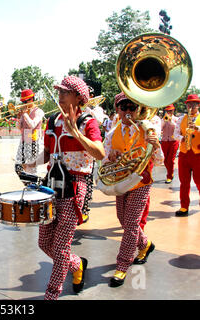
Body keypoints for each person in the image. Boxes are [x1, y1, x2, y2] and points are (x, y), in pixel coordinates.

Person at [38, 76, 105, 300]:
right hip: (52, 183)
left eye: (65, 91)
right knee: (44, 241)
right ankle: (76, 265)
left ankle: (52, 294)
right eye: (60, 91)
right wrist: (27, 162)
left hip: (75, 185)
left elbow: (99, 153)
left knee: (60, 246)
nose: (60, 94)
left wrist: (76, 132)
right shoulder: (51, 121)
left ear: (78, 96)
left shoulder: (88, 121)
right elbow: (47, 154)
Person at [103, 92, 163, 287]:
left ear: (138, 109)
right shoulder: (113, 131)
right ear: (118, 110)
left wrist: (156, 147)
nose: (129, 111)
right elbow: (104, 157)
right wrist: (111, 156)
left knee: (130, 225)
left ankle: (122, 266)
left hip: (141, 182)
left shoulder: (147, 128)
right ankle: (145, 245)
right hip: (121, 181)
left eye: (133, 107)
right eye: (124, 107)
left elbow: (160, 161)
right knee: (123, 219)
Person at [174, 94, 200, 217]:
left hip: (198, 154)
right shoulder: (181, 119)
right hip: (184, 153)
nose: (191, 106)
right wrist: (181, 137)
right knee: (184, 182)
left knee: (199, 181)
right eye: (189, 104)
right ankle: (184, 206)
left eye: (194, 104)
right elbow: (175, 134)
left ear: (198, 105)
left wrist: (197, 128)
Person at [15, 89, 45, 175]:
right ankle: (28, 185)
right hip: (24, 139)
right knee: (19, 166)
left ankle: (32, 187)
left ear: (31, 99)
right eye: (23, 102)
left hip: (34, 141)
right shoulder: (25, 112)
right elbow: (18, 127)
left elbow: (32, 125)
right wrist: (18, 118)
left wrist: (24, 114)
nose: (24, 104)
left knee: (31, 169)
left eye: (25, 101)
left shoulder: (39, 111)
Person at [160, 104, 179, 184]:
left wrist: (170, 121)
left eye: (170, 111)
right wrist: (164, 121)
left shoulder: (177, 119)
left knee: (170, 160)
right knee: (165, 160)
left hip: (173, 141)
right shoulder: (163, 119)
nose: (168, 112)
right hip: (164, 141)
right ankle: (170, 172)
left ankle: (169, 176)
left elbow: (177, 128)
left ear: (173, 111)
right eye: (167, 111)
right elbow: (160, 128)